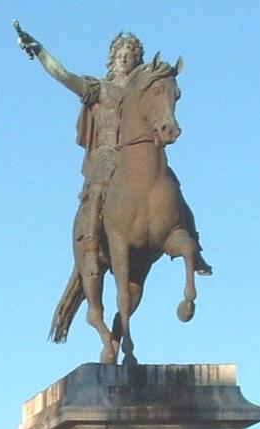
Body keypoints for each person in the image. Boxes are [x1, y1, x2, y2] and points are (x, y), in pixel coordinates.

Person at [13, 24, 211, 290]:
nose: (127, 58)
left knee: (173, 186)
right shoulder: (98, 89)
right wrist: (39, 50)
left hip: (140, 154)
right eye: (122, 53)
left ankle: (194, 247)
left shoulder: (142, 89)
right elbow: (63, 75)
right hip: (109, 153)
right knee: (97, 190)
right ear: (113, 57)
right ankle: (92, 246)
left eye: (132, 54)